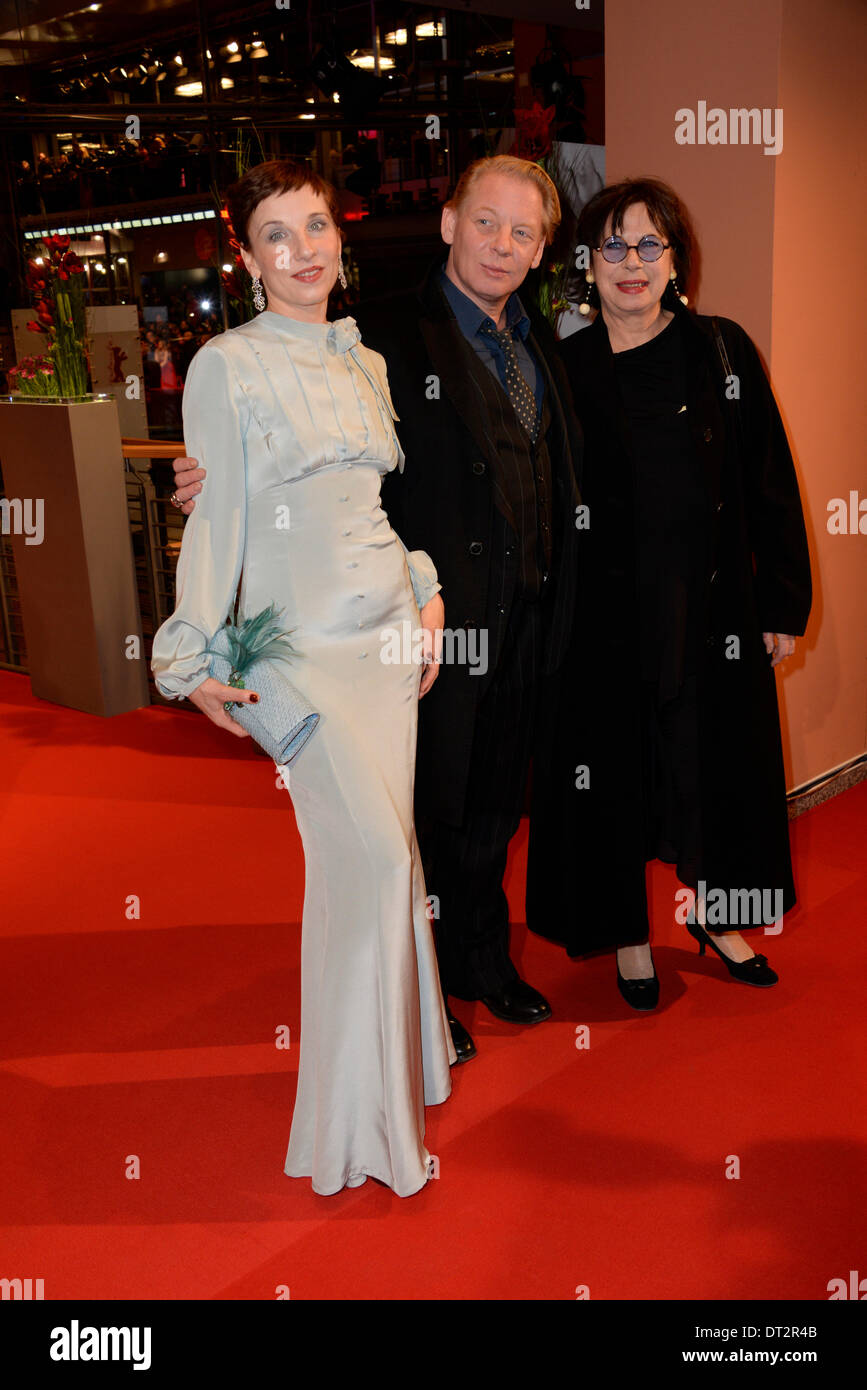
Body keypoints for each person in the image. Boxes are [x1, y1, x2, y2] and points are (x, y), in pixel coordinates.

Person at [171, 155, 582, 1061]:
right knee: (414, 823)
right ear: (446, 222)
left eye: (522, 232)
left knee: (489, 811)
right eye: (485, 222)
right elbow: (285, 456)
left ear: (541, 248)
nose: (500, 245)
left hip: (493, 617)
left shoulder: (542, 344)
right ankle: (416, 998)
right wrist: (203, 482)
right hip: (379, 632)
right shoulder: (382, 330)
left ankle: (474, 967)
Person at [151, 158, 454, 1197]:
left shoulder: (362, 356)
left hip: (386, 645)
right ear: (245, 256)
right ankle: (353, 1129)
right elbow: (218, 524)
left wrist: (425, 588)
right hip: (298, 657)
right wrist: (192, 652)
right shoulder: (225, 365)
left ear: (339, 235)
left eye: (316, 225)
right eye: (276, 235)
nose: (303, 249)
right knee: (366, 865)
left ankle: (400, 1076)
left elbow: (372, 507)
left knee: (391, 864)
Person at [526, 177, 811, 1008]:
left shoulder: (720, 350)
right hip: (603, 619)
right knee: (611, 775)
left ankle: (717, 917)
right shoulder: (561, 365)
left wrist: (781, 607)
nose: (631, 263)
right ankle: (624, 934)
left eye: (649, 245)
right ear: (588, 261)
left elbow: (770, 485)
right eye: (612, 245)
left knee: (711, 769)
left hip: (711, 611)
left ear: (674, 259)